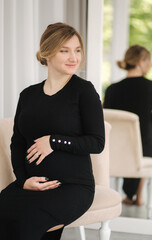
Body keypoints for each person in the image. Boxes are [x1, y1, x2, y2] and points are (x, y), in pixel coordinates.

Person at [0, 22, 105, 240]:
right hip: (32, 183)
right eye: (64, 51)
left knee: (28, 219)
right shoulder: (28, 95)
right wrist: (22, 180)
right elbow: (17, 142)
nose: (74, 58)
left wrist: (54, 141)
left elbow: (97, 142)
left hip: (73, 186)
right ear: (47, 53)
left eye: (77, 50)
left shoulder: (84, 91)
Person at [103, 44, 152, 206]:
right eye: (148, 61)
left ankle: (127, 195)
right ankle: (139, 196)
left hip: (116, 146)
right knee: (146, 144)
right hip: (143, 146)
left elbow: (106, 118)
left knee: (132, 146)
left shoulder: (112, 89)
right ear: (141, 62)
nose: (149, 65)